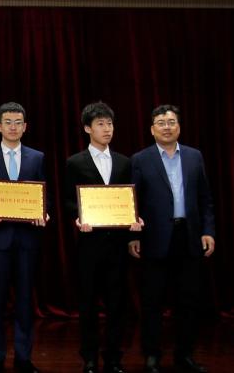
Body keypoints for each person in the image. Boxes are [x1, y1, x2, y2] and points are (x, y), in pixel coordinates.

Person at [129, 105, 215, 373]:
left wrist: (208, 230)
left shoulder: (194, 156)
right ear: (151, 129)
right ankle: (152, 356)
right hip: (154, 239)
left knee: (188, 301)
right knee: (152, 301)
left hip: (188, 236)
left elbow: (205, 198)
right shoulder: (140, 159)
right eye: (161, 122)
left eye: (171, 122)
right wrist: (134, 236)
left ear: (179, 126)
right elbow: (133, 201)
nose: (167, 127)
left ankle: (184, 355)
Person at [64, 102, 142, 373]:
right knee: (87, 303)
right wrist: (78, 217)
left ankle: (114, 357)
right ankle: (89, 358)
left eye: (109, 124)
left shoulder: (124, 162)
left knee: (117, 304)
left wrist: (134, 222)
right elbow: (69, 201)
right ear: (88, 128)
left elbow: (131, 198)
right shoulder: (75, 162)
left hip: (117, 244)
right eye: (100, 124)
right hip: (89, 244)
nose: (107, 129)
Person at [0, 102, 49, 373]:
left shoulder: (37, 158)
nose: (13, 127)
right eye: (8, 122)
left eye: (18, 122)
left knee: (26, 301)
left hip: (28, 240)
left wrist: (43, 213)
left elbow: (44, 195)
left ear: (25, 127)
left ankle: (24, 358)